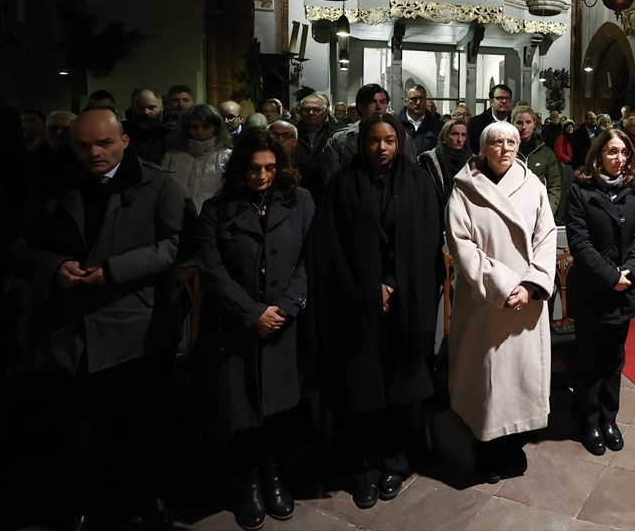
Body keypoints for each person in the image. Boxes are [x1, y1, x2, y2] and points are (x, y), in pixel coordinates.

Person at [9, 105, 196, 528]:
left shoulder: (158, 183)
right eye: (84, 144)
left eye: (105, 143)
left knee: (143, 422)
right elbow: (19, 248)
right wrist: (53, 267)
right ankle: (90, 502)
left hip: (139, 322)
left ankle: (147, 499)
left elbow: (180, 242)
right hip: (74, 326)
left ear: (124, 141)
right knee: (82, 425)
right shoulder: (54, 187)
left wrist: (115, 269)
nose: (95, 152)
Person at [309, 112, 444, 509]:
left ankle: (394, 460)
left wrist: (393, 285)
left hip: (404, 303)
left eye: (389, 140)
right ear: (361, 142)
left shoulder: (419, 183)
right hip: (355, 304)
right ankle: (359, 465)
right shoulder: (343, 184)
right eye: (373, 140)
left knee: (401, 385)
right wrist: (368, 290)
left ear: (399, 142)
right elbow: (332, 248)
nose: (381, 148)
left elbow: (424, 246)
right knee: (359, 385)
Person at [196, 133, 312, 530]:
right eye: (253, 168)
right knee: (241, 409)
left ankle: (273, 474)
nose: (262, 176)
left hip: (282, 324)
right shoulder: (216, 209)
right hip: (236, 327)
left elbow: (309, 260)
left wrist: (287, 306)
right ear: (239, 169)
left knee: (277, 409)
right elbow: (212, 271)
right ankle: (248, 483)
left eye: (269, 167)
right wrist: (252, 313)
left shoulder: (300, 202)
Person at [446, 121, 556, 483]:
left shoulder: (533, 185)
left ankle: (513, 445)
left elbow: (546, 237)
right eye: (497, 142)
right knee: (488, 380)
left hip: (526, 300)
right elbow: (462, 245)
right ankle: (486, 447)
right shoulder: (465, 188)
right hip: (486, 301)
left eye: (511, 141)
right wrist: (504, 286)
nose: (506, 147)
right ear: (483, 148)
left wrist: (531, 284)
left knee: (520, 379)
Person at [566, 128, 635, 456]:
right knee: (589, 358)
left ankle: (609, 418)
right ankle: (588, 421)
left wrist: (630, 270)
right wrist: (610, 275)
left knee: (614, 358)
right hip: (593, 289)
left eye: (625, 153)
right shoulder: (580, 191)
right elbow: (579, 243)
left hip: (625, 289)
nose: (620, 159)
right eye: (613, 152)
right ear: (598, 154)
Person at [160, 103, 234, 214]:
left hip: (213, 221)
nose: (199, 132)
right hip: (179, 220)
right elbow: (163, 191)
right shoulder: (172, 156)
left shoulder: (228, 157)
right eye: (194, 127)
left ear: (216, 128)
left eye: (206, 127)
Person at [322, 83, 391, 179]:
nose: (379, 107)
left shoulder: (402, 138)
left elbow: (407, 178)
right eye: (372, 102)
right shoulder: (338, 139)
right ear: (360, 106)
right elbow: (333, 179)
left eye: (383, 102)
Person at [512, 106, 562, 217]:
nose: (524, 127)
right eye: (519, 122)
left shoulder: (546, 153)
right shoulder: (507, 152)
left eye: (528, 122)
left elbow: (554, 186)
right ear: (512, 124)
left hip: (539, 212)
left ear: (534, 123)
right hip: (512, 213)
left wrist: (548, 212)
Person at [270, 120, 325, 202]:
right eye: (274, 135)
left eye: (286, 135)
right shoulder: (257, 164)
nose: (280, 140)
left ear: (295, 142)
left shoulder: (311, 168)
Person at [419, 117, 469, 202]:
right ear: (445, 135)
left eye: (463, 135)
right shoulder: (428, 159)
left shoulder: (473, 160)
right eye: (455, 134)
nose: (459, 140)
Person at [124, 87, 176, 164]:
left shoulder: (176, 131)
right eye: (140, 108)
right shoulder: (123, 131)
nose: (146, 112)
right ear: (132, 108)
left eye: (151, 108)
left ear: (161, 108)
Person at [26, 110, 76, 181]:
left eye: (66, 129)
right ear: (46, 131)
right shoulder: (33, 158)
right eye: (53, 128)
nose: (58, 132)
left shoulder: (83, 156)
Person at [467, 84, 514, 154]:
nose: (504, 101)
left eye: (507, 98)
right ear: (491, 102)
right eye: (500, 98)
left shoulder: (516, 122)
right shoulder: (476, 123)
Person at [398, 84, 442, 158]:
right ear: (405, 101)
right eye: (413, 99)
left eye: (421, 98)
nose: (418, 102)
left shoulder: (438, 126)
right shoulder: (396, 124)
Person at [293, 92, 333, 160]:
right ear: (299, 111)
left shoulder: (334, 134)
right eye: (306, 109)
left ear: (325, 112)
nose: (311, 113)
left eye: (317, 110)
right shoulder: (290, 133)